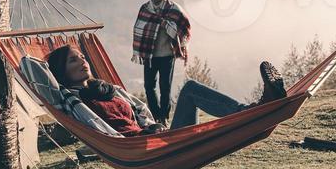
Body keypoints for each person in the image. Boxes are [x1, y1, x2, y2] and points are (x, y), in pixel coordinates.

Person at [46, 44, 286, 137]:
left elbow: (139, 111)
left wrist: (151, 126)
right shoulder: (73, 100)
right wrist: (141, 136)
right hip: (142, 149)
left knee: (190, 88)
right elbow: (103, 129)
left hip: (158, 138)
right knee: (190, 90)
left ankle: (256, 111)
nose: (83, 62)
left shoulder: (109, 90)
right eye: (72, 61)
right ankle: (253, 111)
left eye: (82, 57)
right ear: (62, 72)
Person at [132, 0, 191, 126]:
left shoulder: (173, 9)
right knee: (148, 87)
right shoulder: (145, 8)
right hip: (150, 56)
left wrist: (168, 25)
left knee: (165, 88)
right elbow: (138, 28)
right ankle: (156, 115)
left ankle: (164, 117)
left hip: (167, 55)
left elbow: (185, 27)